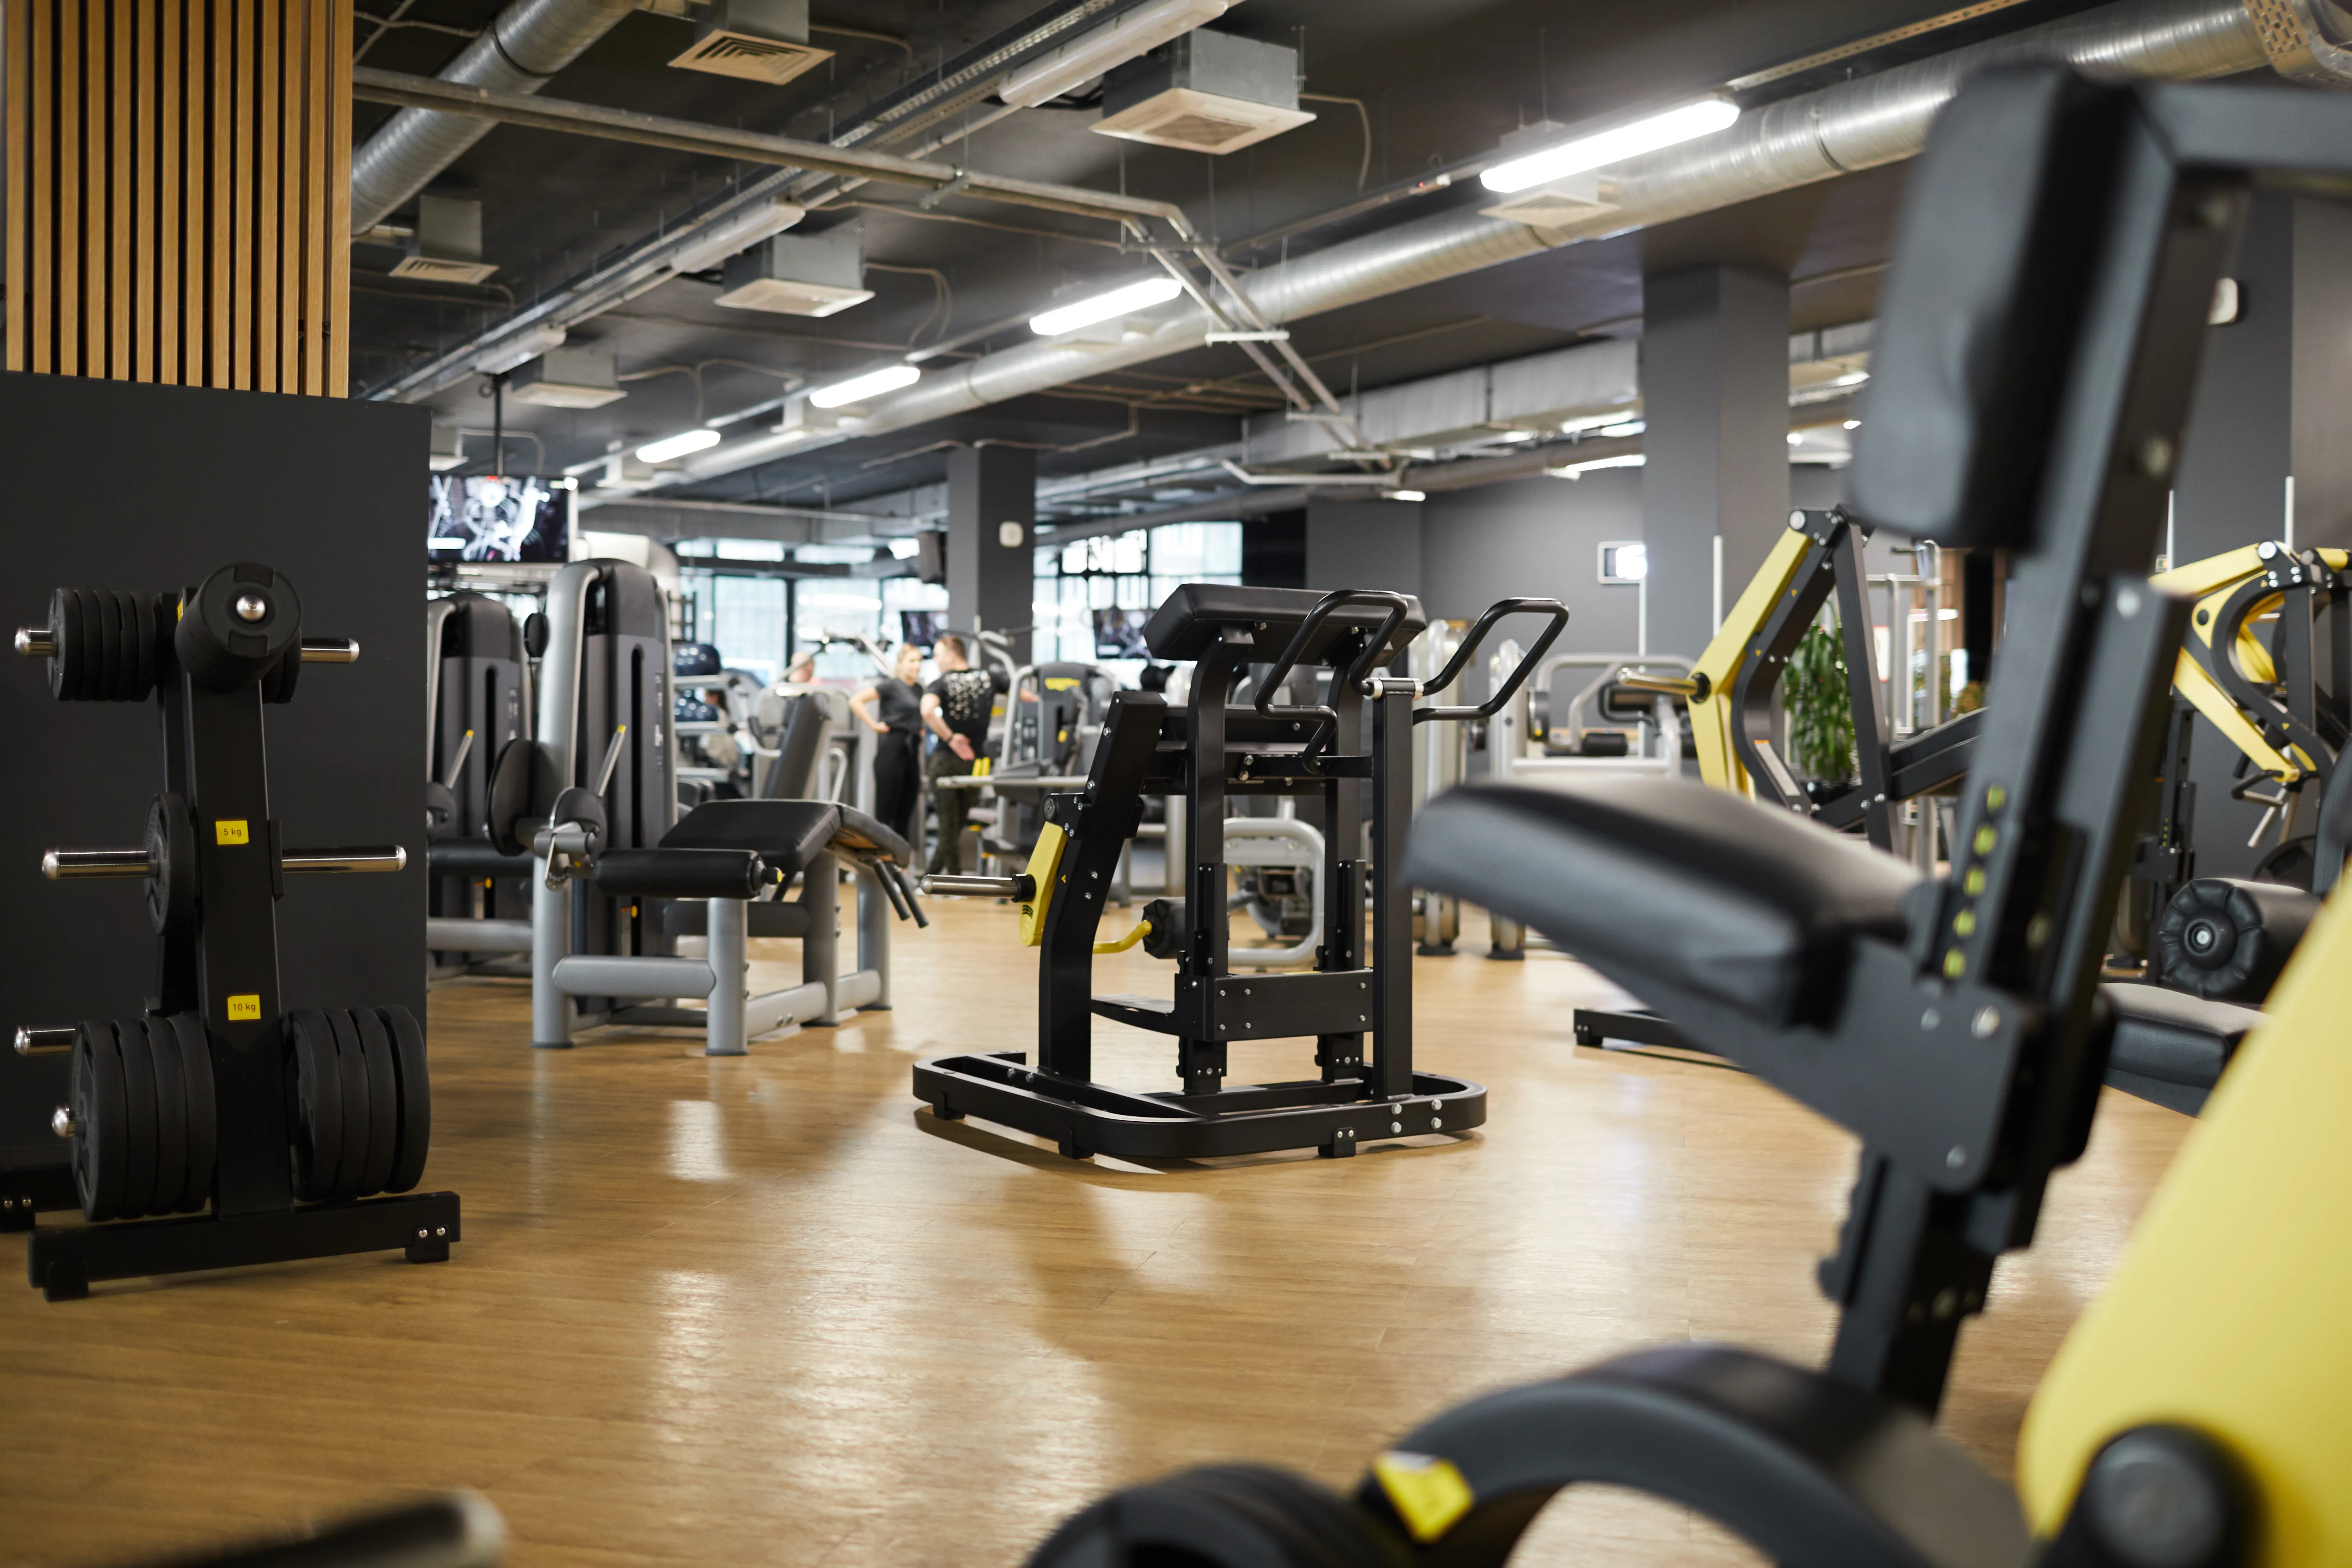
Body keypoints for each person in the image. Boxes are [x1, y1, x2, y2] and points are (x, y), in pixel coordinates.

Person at [921, 634, 1007, 876]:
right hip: (977, 761)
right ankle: (945, 875)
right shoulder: (989, 678)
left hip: (946, 759)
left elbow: (927, 711)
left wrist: (951, 738)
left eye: (937, 656)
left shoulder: (942, 682)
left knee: (948, 825)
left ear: (951, 654)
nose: (936, 661)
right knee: (957, 823)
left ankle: (941, 877)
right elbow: (1029, 697)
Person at [851, 643, 926, 844]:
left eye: (919, 661)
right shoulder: (891, 686)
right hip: (892, 749)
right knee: (886, 811)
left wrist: (921, 727)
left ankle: (901, 866)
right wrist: (874, 725)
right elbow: (856, 701)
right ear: (900, 664)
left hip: (912, 752)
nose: (917, 666)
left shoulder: (919, 689)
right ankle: (880, 860)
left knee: (907, 808)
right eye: (912, 661)